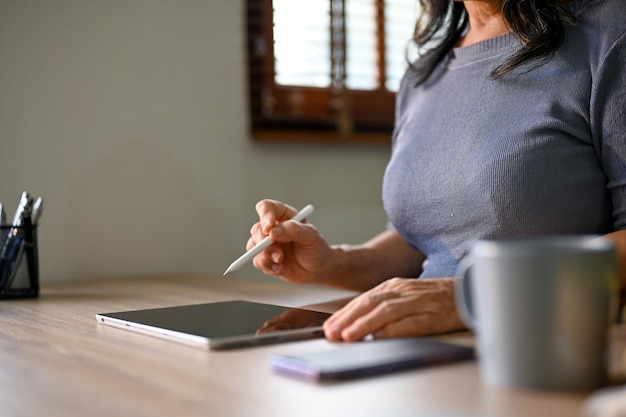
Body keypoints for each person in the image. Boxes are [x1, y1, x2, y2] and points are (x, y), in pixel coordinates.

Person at [246, 0, 626, 342]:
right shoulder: (423, 74)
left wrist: (473, 296)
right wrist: (332, 262)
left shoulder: (609, 35)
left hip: (541, 348)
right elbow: (422, 244)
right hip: (423, 346)